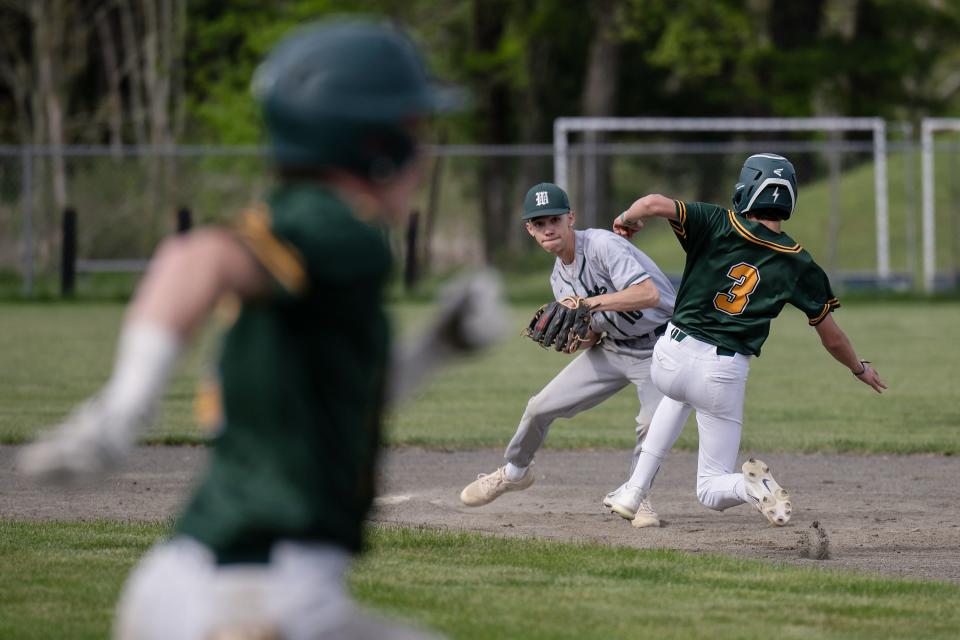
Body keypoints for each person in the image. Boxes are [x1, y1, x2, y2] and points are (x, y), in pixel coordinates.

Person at [19, 19, 505, 639]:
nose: (425, 151)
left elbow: (333, 401)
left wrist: (437, 349)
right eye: (414, 129)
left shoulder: (302, 226)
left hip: (190, 579)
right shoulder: (339, 228)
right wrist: (123, 410)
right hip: (259, 595)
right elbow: (194, 257)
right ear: (374, 143)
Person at [608, 153, 887, 528]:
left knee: (675, 396)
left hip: (671, 355)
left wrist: (627, 219)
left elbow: (654, 203)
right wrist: (859, 368)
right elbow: (832, 337)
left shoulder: (717, 221)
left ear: (746, 189)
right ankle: (751, 487)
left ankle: (632, 492)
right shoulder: (798, 261)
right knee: (710, 489)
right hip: (722, 373)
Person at [459, 182, 676, 528]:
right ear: (530, 230)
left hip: (660, 348)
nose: (548, 228)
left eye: (554, 220)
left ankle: (637, 495)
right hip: (615, 348)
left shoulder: (604, 245)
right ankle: (515, 471)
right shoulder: (559, 278)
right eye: (539, 222)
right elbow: (592, 333)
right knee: (539, 407)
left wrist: (587, 304)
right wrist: (576, 340)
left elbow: (648, 294)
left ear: (570, 218)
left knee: (651, 425)